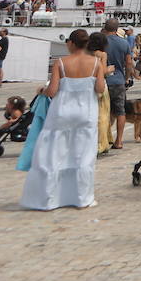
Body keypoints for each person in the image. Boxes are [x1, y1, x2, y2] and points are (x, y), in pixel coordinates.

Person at [20, 28, 105, 210]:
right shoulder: (97, 63)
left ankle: (49, 199)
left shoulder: (60, 62)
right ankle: (81, 198)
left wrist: (41, 90)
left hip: (61, 111)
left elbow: (52, 91)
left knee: (52, 155)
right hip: (86, 113)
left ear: (72, 43)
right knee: (83, 156)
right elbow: (99, 89)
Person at [100, 17, 133, 150]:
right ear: (117, 28)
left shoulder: (100, 43)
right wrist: (127, 77)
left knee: (103, 112)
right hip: (118, 80)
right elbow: (129, 63)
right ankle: (119, 141)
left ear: (105, 27)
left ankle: (103, 140)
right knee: (120, 111)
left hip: (103, 80)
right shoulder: (124, 43)